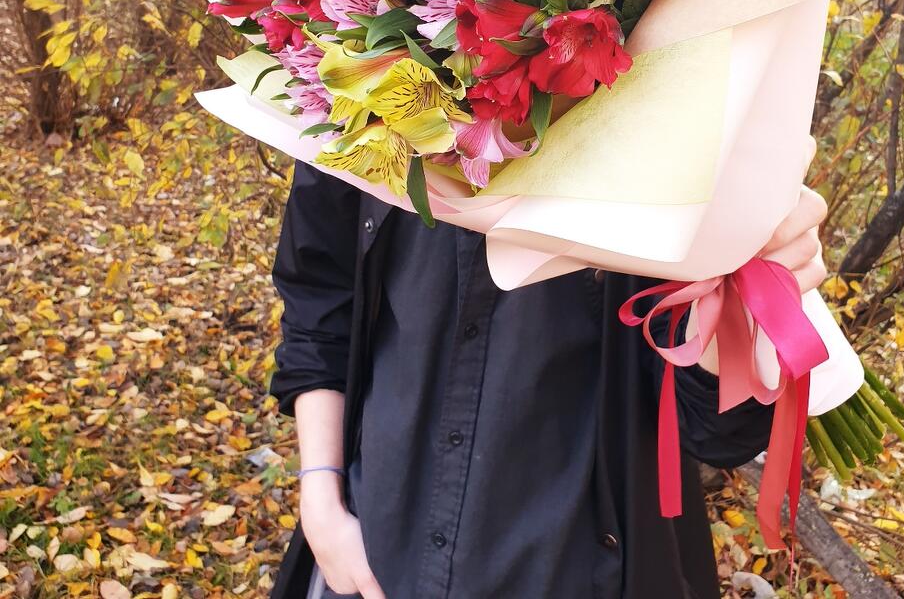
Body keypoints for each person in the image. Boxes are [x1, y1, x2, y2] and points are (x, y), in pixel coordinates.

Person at [268, 141, 829, 599]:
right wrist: (321, 493)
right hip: (375, 546)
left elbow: (714, 428)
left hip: (575, 566)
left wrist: (742, 297)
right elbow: (320, 293)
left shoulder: (678, 115)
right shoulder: (356, 64)